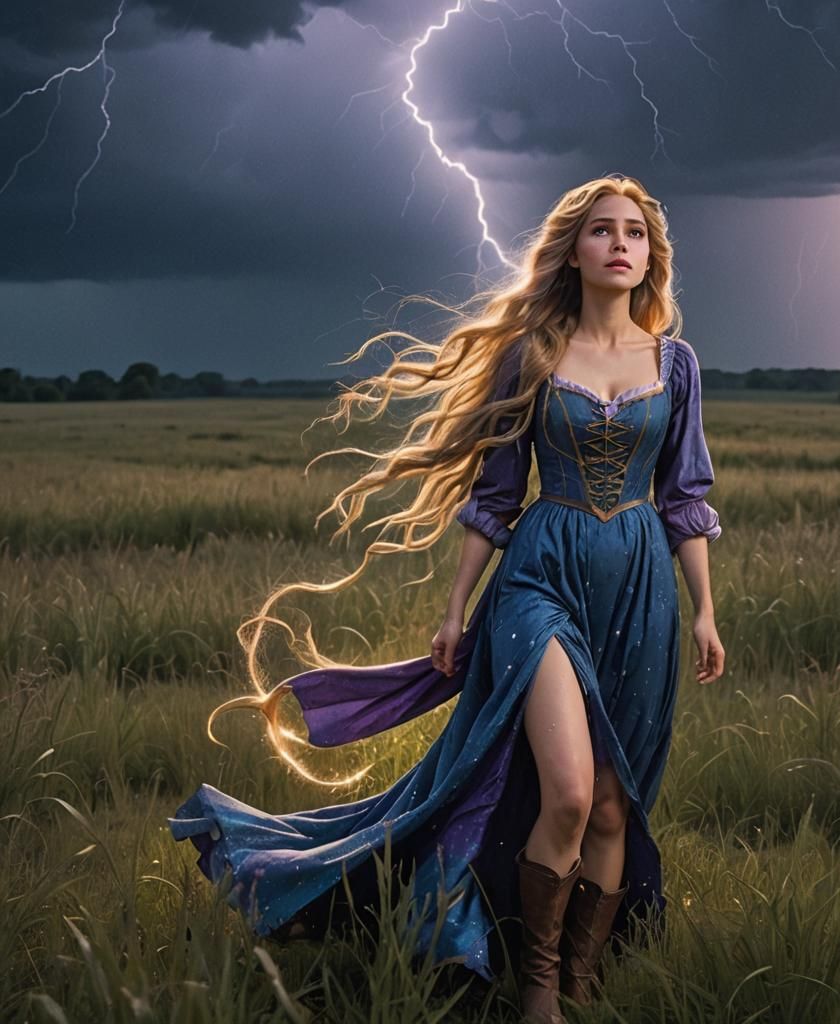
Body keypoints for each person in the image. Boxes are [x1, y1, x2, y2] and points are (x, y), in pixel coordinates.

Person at [168, 174, 725, 1024]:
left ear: (653, 255)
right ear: (572, 250)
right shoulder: (534, 354)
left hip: (641, 588)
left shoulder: (674, 365)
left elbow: (685, 498)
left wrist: (705, 611)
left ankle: (582, 984)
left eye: (636, 233)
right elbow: (497, 494)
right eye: (603, 230)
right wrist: (458, 607)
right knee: (569, 793)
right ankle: (536, 991)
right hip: (542, 576)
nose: (621, 244)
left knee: (614, 803)